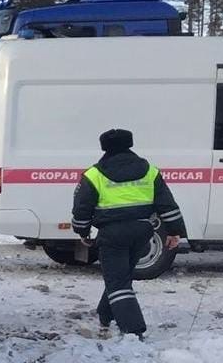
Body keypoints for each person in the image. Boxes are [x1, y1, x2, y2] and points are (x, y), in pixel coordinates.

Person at [71, 128, 187, 338]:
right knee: (121, 277)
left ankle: (134, 330)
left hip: (112, 234)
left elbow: (81, 208)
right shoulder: (149, 170)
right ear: (130, 144)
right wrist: (174, 231)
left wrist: (82, 231)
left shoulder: (94, 174)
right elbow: (167, 203)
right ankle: (105, 315)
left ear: (104, 147)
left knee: (117, 282)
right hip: (143, 233)